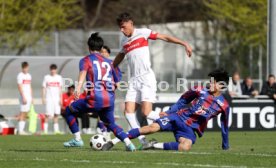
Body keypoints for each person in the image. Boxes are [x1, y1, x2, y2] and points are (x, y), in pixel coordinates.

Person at [112, 12, 193, 148]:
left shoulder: (143, 33)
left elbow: (165, 37)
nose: (122, 30)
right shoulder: (123, 41)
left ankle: (178, 122)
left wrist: (183, 43)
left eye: (123, 27)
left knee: (146, 113)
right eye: (120, 27)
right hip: (133, 80)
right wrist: (111, 68)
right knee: (128, 112)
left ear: (131, 23)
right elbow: (120, 56)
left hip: (146, 78)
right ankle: (143, 141)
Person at [105, 69, 230, 151]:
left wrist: (225, 146)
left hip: (190, 129)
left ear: (222, 85)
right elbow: (183, 101)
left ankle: (153, 145)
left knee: (186, 146)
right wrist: (170, 112)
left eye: (213, 82)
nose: (210, 84)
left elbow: (224, 126)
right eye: (210, 81)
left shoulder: (223, 105)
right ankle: (114, 141)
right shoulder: (200, 90)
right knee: (151, 128)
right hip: (178, 117)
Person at [63, 33, 135, 151]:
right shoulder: (111, 62)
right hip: (110, 99)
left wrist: (77, 89)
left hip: (95, 98)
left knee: (68, 110)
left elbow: (82, 74)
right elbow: (117, 82)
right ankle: (129, 144)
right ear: (101, 48)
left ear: (89, 47)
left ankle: (77, 139)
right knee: (110, 124)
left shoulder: (86, 60)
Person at [42, 64, 63, 134]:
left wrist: (61, 99)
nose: (53, 71)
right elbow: (43, 88)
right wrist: (43, 98)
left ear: (56, 70)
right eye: (52, 69)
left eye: (54, 69)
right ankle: (45, 131)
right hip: (49, 99)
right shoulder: (46, 77)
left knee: (56, 114)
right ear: (50, 70)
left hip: (57, 99)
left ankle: (56, 130)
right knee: (47, 114)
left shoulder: (59, 77)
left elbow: (60, 89)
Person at [17, 62, 33, 135]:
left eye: (26, 68)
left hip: (28, 97)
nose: (25, 69)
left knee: (26, 113)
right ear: (22, 68)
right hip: (23, 97)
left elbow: (30, 86)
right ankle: (20, 130)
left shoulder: (29, 76)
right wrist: (23, 97)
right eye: (24, 68)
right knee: (22, 112)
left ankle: (21, 130)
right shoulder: (20, 75)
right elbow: (19, 87)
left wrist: (31, 97)